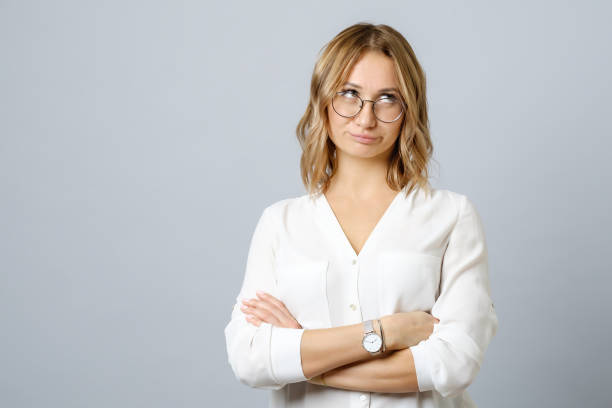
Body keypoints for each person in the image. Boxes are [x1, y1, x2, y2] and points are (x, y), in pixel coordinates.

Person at [224, 22, 498, 408]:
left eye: (387, 98)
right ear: (323, 99)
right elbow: (249, 359)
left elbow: (454, 364)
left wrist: (299, 355)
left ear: (409, 109)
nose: (366, 119)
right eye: (349, 94)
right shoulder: (279, 224)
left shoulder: (452, 216)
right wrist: (387, 332)